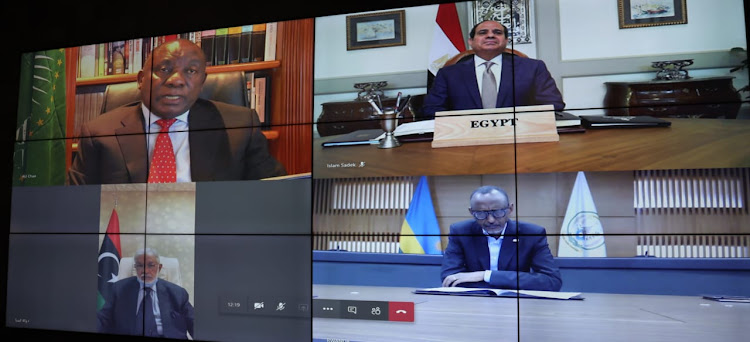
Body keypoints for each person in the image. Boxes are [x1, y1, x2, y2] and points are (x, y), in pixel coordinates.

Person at [68, 39, 285, 185]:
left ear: (202, 82)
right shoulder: (99, 133)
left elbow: (274, 194)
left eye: (190, 71)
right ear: (141, 79)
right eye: (164, 69)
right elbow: (77, 202)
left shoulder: (239, 126)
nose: (176, 81)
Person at [422, 20, 565, 117]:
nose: (490, 35)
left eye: (497, 32)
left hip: (520, 138)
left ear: (506, 41)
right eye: (482, 33)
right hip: (465, 140)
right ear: (471, 42)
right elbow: (432, 110)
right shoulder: (448, 74)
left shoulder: (533, 68)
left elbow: (554, 105)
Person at [440, 185, 562, 291]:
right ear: (471, 212)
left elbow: (551, 281)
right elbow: (450, 278)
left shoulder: (531, 234)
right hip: (474, 303)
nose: (491, 220)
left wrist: (486, 275)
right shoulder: (461, 232)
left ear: (510, 209)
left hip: (517, 304)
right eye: (481, 214)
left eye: (497, 212)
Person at [98, 248, 194, 339]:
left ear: (159, 268)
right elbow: (103, 319)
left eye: (151, 265)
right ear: (135, 268)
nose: (145, 271)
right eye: (140, 265)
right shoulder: (120, 289)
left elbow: (194, 322)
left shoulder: (177, 293)